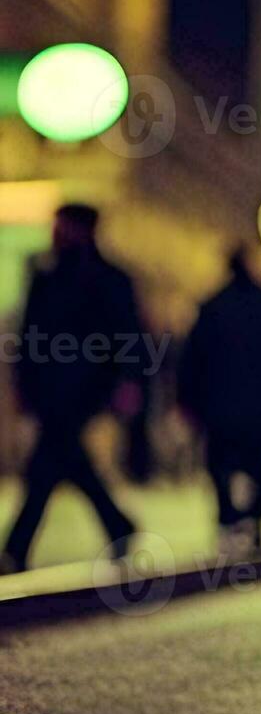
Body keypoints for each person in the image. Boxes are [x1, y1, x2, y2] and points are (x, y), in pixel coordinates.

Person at [1, 205, 143, 575]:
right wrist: (22, 383)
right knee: (66, 463)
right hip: (52, 388)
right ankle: (117, 526)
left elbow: (127, 336)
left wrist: (127, 381)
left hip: (84, 388)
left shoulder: (109, 279)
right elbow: (29, 335)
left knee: (45, 466)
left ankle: (16, 548)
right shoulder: (46, 275)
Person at [178, 248, 261, 558]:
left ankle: (227, 519)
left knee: (220, 465)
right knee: (259, 464)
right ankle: (256, 523)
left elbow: (191, 361)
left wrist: (189, 403)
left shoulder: (212, 308)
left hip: (218, 408)